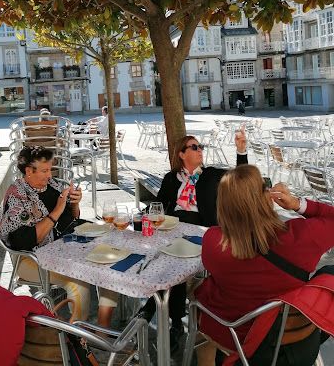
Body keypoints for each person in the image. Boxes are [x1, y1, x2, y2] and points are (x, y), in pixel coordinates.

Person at [195, 164, 334, 365]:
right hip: (294, 343)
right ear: (265, 197)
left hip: (233, 335)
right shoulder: (300, 237)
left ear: (222, 204)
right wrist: (297, 204)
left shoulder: (212, 241)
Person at [140, 129, 248, 352]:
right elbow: (159, 205)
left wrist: (241, 149)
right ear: (182, 154)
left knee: (174, 263)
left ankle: (157, 315)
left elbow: (241, 176)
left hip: (202, 232)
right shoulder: (172, 179)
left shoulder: (211, 175)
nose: (200, 151)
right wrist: (143, 216)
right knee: (162, 261)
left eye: (201, 147)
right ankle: (172, 320)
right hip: (173, 229)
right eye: (195, 147)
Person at [0, 146, 117, 327]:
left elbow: (72, 217)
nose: (50, 175)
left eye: (50, 169)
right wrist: (57, 210)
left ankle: (103, 327)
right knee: (78, 281)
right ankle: (78, 340)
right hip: (31, 259)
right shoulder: (17, 196)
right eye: (44, 170)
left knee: (107, 262)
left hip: (66, 248)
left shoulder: (51, 186)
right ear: (28, 171)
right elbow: (25, 241)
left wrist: (74, 203)